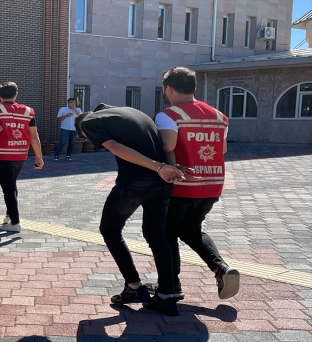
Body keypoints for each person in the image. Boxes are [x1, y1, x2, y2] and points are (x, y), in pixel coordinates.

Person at [75, 104, 186, 316]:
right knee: (157, 235)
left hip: (136, 182)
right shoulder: (130, 111)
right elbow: (164, 145)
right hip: (163, 183)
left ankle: (134, 287)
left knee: (110, 230)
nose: (90, 140)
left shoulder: (89, 123)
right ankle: (167, 294)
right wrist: (170, 167)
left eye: (87, 137)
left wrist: (158, 167)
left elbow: (116, 147)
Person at [156, 66, 240, 300]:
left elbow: (167, 146)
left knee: (167, 233)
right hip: (212, 185)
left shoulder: (169, 115)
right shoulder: (218, 115)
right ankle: (221, 269)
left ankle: (171, 285)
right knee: (191, 230)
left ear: (168, 89)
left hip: (182, 186)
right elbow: (221, 149)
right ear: (193, 87)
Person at [0, 81, 44, 233]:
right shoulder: (28, 111)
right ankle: (9, 215)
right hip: (21, 154)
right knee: (11, 185)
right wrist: (39, 157)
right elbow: (34, 136)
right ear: (16, 95)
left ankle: (14, 222)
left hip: (2, 155)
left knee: (8, 189)